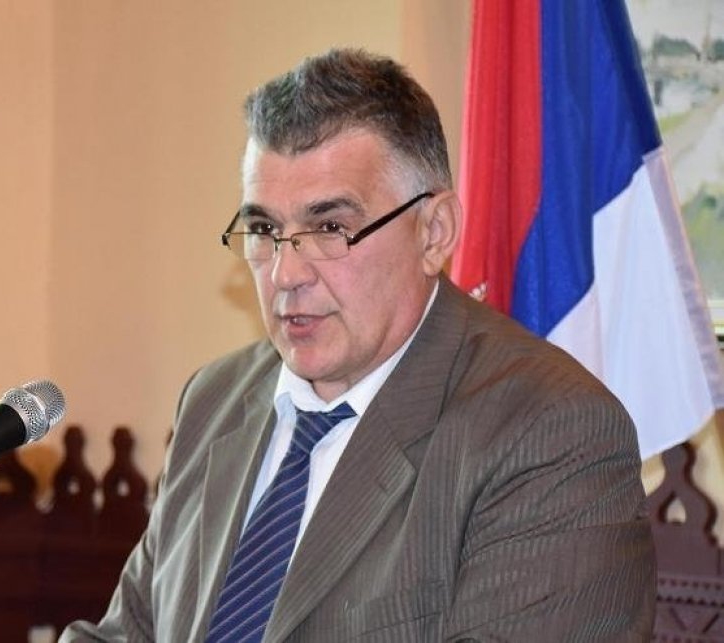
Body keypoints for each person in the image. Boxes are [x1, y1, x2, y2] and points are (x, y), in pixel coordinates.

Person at [61, 48, 655, 642]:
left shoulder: (547, 430)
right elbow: (130, 631)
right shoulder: (215, 398)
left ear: (434, 232)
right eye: (265, 230)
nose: (286, 274)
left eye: (330, 228)